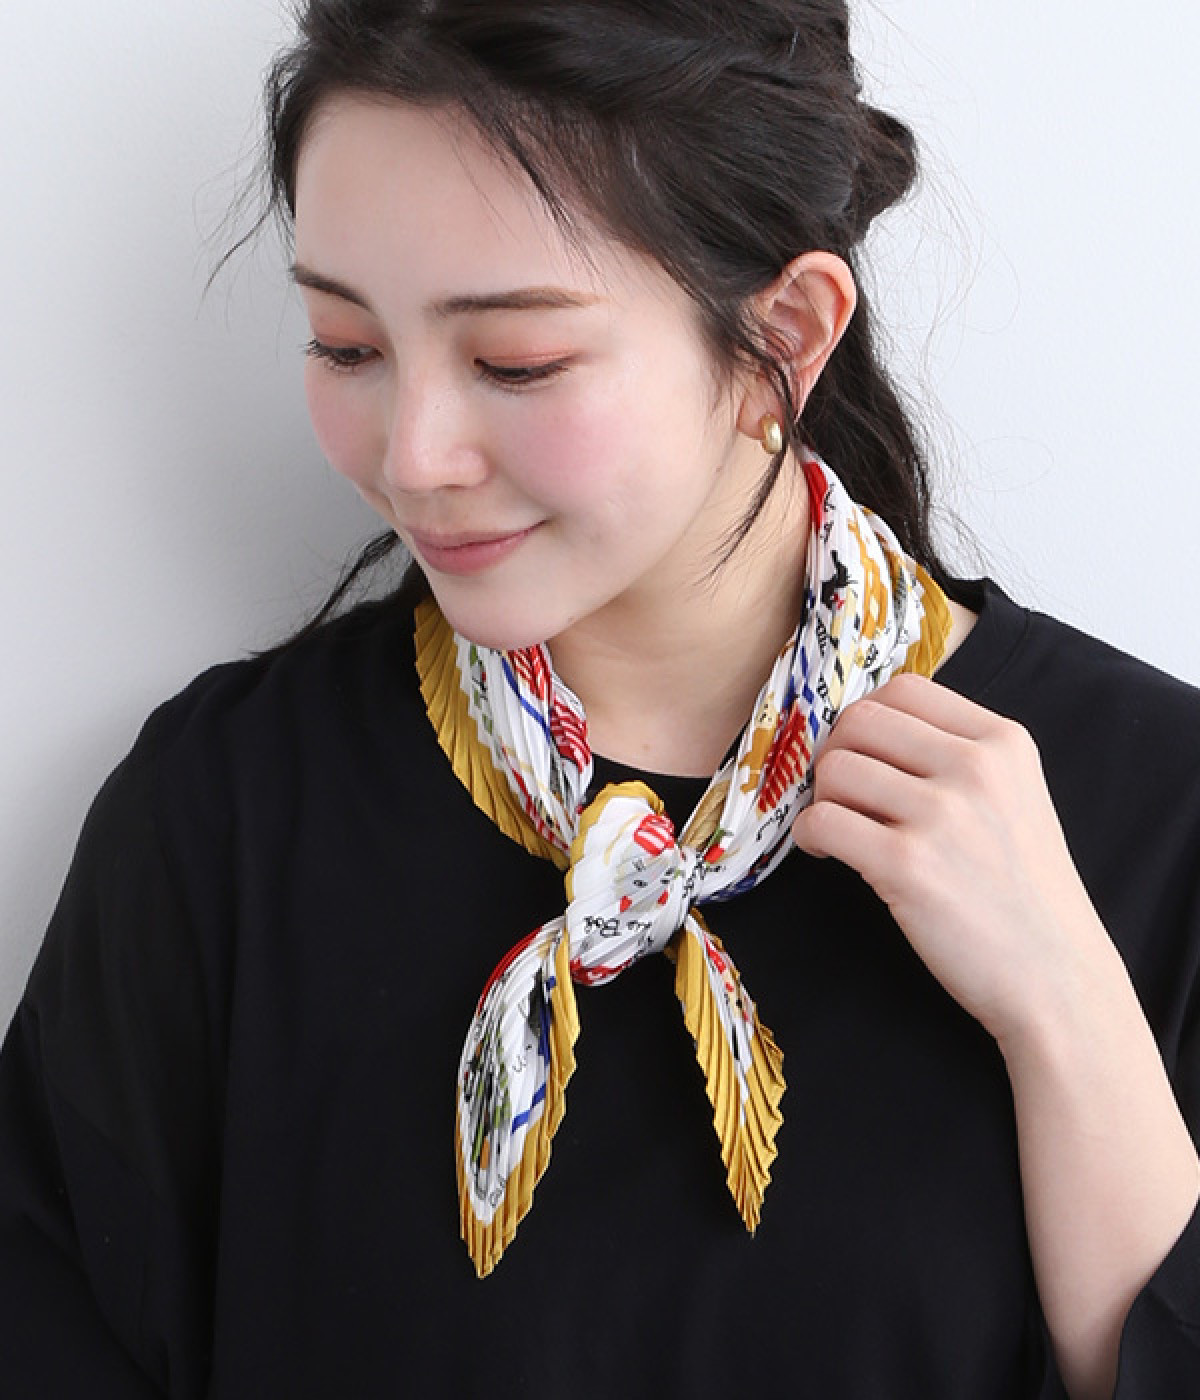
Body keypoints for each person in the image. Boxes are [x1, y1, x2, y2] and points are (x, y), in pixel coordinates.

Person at [2, 2, 1199, 1397]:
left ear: (783, 336)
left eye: (514, 362)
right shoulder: (224, 814)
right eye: (345, 344)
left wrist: (1071, 1015)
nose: (414, 455)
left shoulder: (1152, 820)